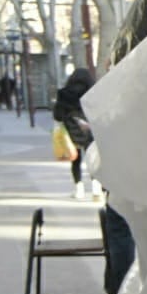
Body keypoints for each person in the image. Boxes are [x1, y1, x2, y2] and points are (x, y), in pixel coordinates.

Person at [52, 67, 97, 199]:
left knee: (75, 161)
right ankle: (96, 189)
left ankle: (79, 190)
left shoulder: (64, 93)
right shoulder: (92, 92)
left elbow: (57, 115)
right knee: (93, 160)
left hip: (71, 132)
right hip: (90, 131)